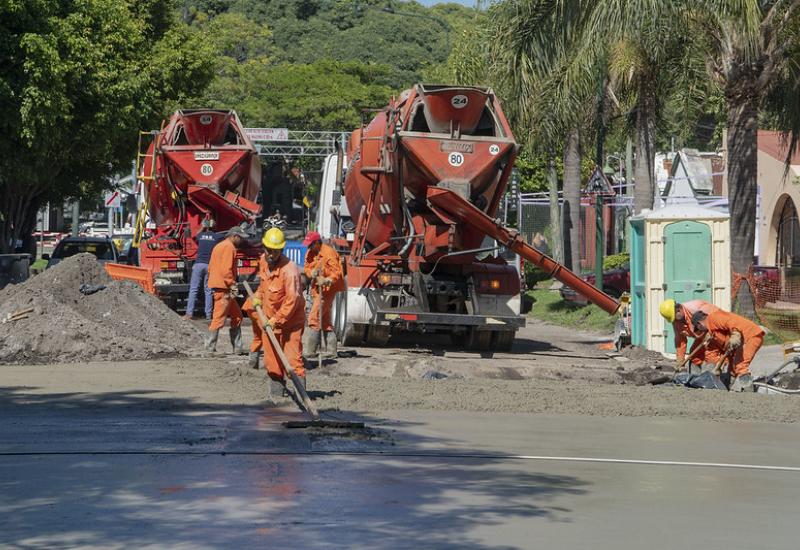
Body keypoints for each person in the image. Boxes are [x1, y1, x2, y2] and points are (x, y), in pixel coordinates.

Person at [254, 227, 306, 398]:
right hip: (269, 320)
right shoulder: (263, 261)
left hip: (290, 322)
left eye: (275, 252)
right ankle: (276, 395)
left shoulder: (289, 271)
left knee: (292, 360)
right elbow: (263, 286)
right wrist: (258, 297)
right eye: (268, 250)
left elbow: (293, 300)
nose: (271, 254)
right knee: (272, 360)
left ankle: (301, 396)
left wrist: (277, 319)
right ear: (264, 248)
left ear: (281, 250)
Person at [691, 309, 765, 392]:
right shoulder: (713, 332)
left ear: (699, 324)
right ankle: (726, 387)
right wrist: (713, 370)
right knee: (733, 366)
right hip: (745, 339)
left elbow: (731, 321)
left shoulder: (713, 317)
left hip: (750, 335)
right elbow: (711, 353)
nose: (702, 331)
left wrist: (735, 335)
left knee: (740, 364)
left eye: (699, 329)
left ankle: (748, 390)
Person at [205, 226, 247, 353]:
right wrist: (232, 284)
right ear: (234, 236)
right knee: (218, 318)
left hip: (221, 287)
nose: (241, 241)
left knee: (237, 316)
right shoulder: (230, 248)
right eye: (240, 238)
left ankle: (238, 348)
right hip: (224, 289)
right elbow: (226, 269)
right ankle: (209, 348)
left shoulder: (219, 246)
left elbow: (211, 268)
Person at [302, 231, 344, 358]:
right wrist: (311, 273)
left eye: (310, 245)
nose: (308, 248)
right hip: (317, 289)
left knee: (314, 318)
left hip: (327, 290)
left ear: (317, 243)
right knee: (325, 321)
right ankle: (332, 351)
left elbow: (337, 273)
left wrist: (326, 279)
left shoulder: (328, 252)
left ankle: (310, 351)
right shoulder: (310, 252)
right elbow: (307, 267)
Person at [659, 298, 722, 372]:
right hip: (702, 336)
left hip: (717, 333)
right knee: (695, 356)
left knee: (712, 356)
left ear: (678, 310)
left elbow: (718, 318)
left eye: (674, 318)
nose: (674, 321)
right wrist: (680, 359)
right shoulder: (676, 320)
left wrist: (711, 331)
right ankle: (695, 380)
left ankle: (720, 376)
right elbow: (680, 340)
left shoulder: (697, 308)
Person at [185, 219, 219, 321]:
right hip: (209, 265)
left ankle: (189, 314)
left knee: (193, 289)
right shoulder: (216, 237)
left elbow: (194, 236)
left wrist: (202, 227)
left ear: (206, 227)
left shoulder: (200, 236)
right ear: (214, 227)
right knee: (208, 291)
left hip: (198, 264)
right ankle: (208, 315)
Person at [241, 251, 268, 369]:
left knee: (258, 336)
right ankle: (269, 364)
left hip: (252, 306)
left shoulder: (264, 261)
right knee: (268, 335)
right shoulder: (269, 272)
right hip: (257, 307)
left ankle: (253, 363)